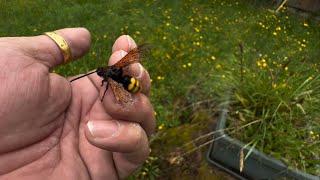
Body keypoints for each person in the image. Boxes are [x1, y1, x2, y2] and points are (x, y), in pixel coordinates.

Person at [0, 28, 155, 179]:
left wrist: (117, 96)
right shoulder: (118, 66)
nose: (101, 75)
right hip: (130, 83)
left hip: (130, 85)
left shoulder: (109, 81)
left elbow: (107, 85)